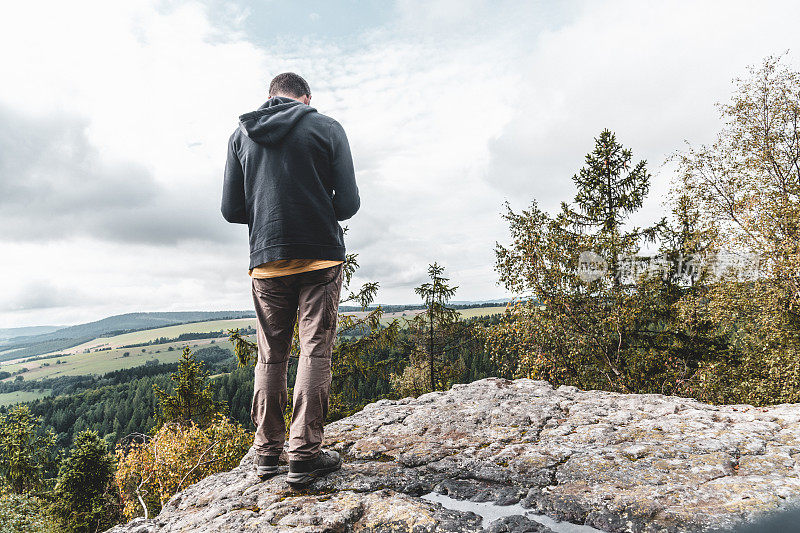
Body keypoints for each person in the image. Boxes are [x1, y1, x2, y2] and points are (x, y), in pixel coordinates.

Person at [221, 72, 360, 488]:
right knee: (314, 351)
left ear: (269, 98)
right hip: (320, 259)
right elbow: (349, 203)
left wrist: (268, 213)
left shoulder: (240, 137)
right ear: (306, 98)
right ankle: (303, 456)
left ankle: (266, 453)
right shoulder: (327, 127)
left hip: (267, 261)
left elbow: (230, 209)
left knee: (271, 356)